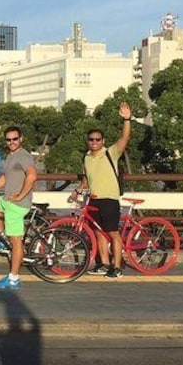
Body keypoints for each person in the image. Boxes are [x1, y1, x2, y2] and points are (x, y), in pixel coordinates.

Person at [71, 102, 132, 280]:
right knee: (98, 232)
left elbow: (125, 138)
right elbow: (86, 178)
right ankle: (104, 264)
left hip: (109, 199)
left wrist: (127, 119)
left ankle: (117, 267)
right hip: (94, 199)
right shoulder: (87, 157)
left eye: (98, 139)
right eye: (91, 139)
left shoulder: (110, 153)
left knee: (113, 232)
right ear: (88, 141)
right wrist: (78, 190)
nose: (94, 142)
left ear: (103, 141)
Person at [0, 126, 38, 291]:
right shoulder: (10, 157)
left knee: (16, 242)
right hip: (7, 200)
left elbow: (32, 176)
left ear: (21, 139)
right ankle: (1, 235)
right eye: (9, 139)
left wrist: (20, 195)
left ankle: (13, 278)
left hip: (16, 205)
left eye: (15, 139)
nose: (12, 142)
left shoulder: (24, 156)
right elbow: (4, 178)